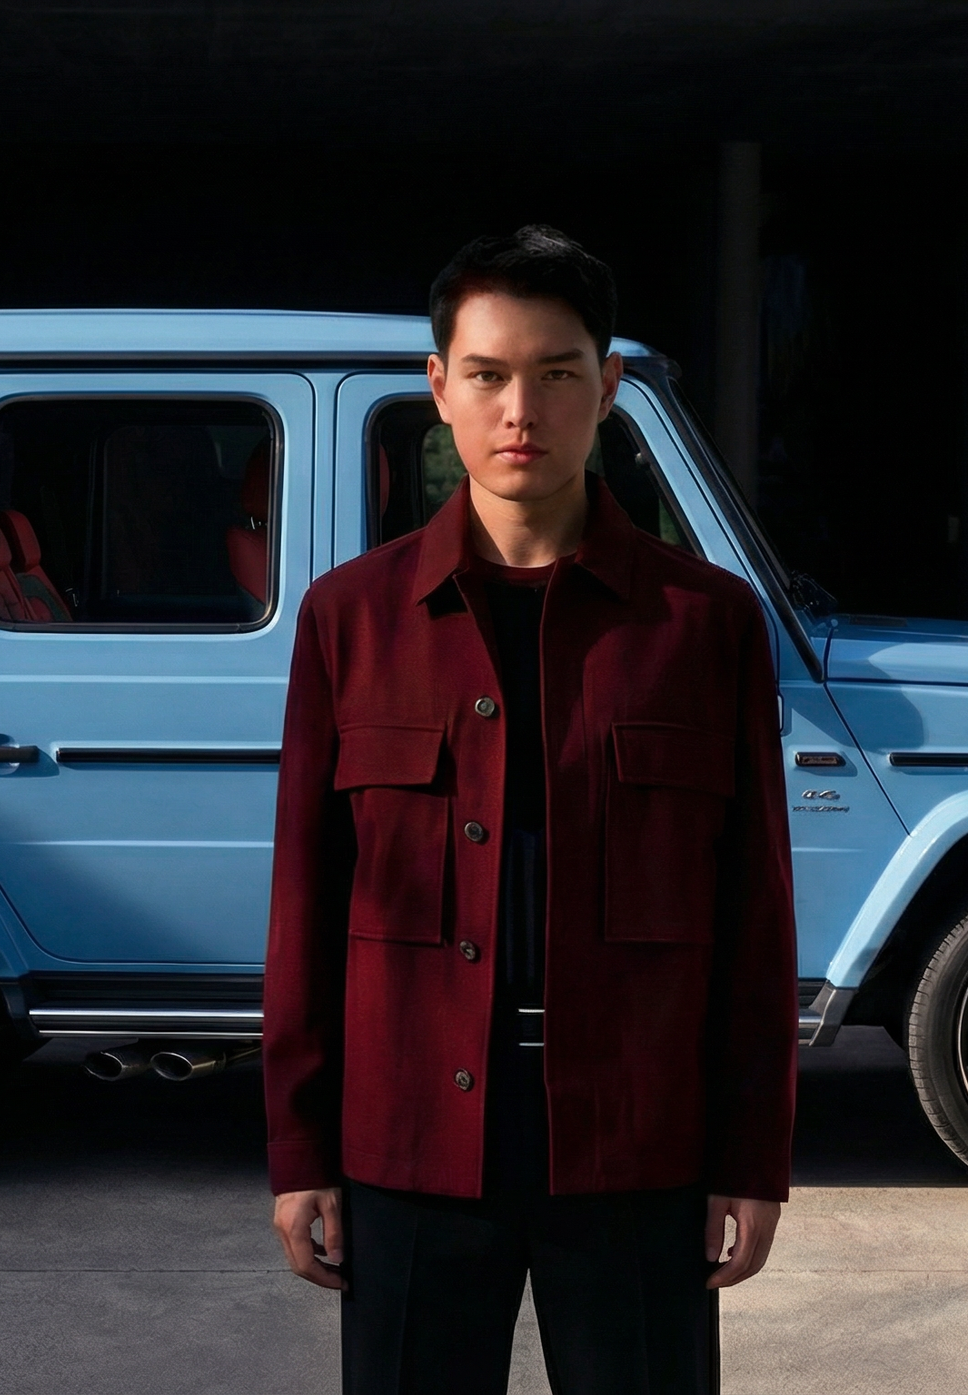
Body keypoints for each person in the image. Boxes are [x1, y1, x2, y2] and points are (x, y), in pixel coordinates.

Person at [263, 224, 798, 1395]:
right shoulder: (349, 620)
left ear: (607, 389)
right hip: (407, 1142)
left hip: (633, 1141)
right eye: (491, 375)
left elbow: (754, 918)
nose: (522, 411)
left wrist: (751, 1158)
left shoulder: (703, 626)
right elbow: (305, 905)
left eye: (557, 375)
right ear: (438, 389)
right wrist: (300, 1151)